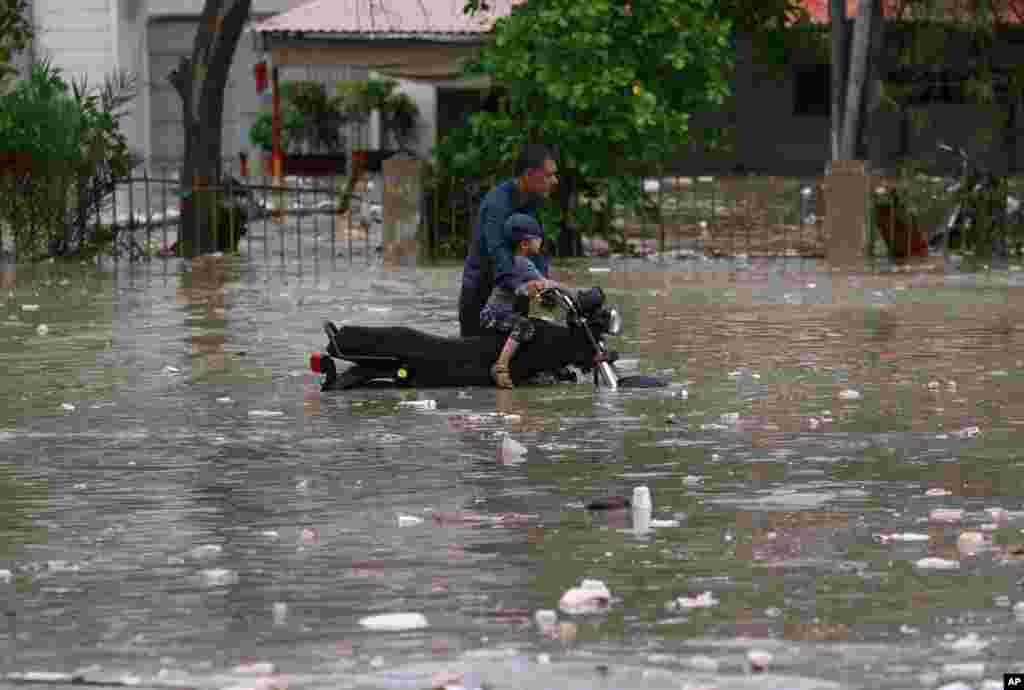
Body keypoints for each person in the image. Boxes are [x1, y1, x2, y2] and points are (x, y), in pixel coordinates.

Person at [458, 144, 559, 337]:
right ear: (529, 174)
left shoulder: (532, 202)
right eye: (548, 175)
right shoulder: (498, 203)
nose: (555, 181)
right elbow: (498, 251)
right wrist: (522, 286)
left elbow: (535, 250)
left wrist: (544, 284)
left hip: (514, 296)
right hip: (483, 297)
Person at [480, 214, 559, 388]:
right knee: (525, 326)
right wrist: (563, 287)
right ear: (524, 244)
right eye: (538, 239)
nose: (541, 242)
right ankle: (501, 367)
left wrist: (535, 291)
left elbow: (529, 286)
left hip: (495, 313)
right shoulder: (523, 263)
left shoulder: (510, 261)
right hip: (494, 315)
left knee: (537, 325)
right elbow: (544, 283)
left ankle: (528, 370)